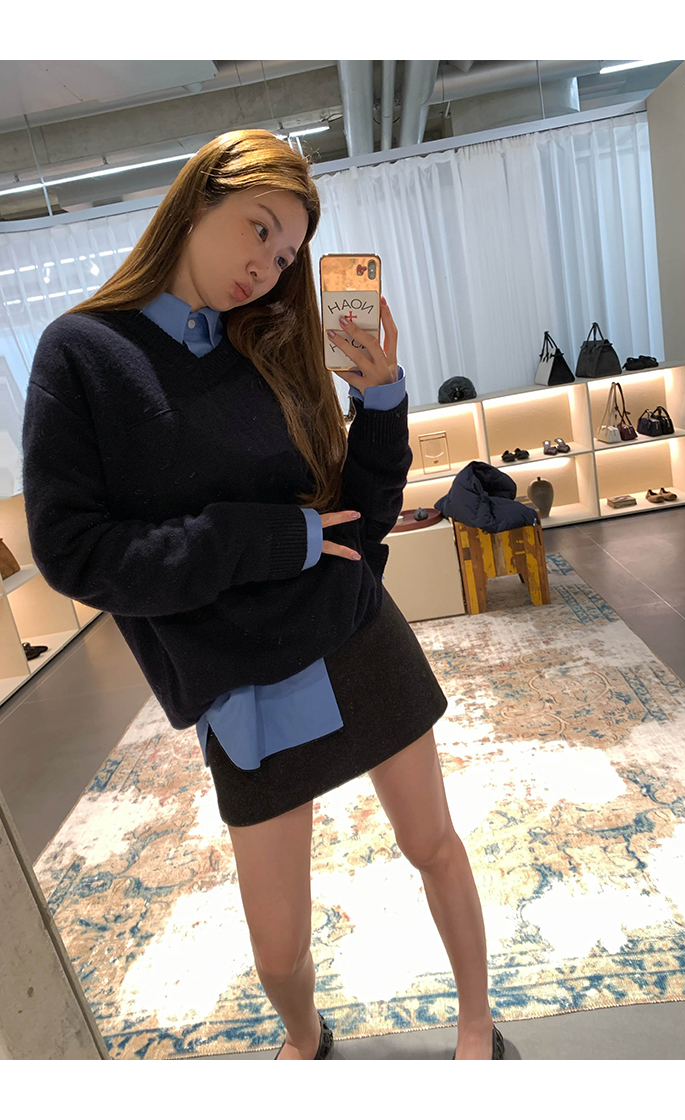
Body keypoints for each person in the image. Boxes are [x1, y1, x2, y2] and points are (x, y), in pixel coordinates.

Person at [21, 129, 503, 1061]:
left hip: (351, 632)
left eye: (286, 256)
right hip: (237, 679)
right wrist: (269, 539)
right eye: (258, 229)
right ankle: (305, 1037)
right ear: (198, 197)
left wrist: (383, 399)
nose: (268, 267)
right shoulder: (83, 353)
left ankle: (477, 1025)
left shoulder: (271, 344)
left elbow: (359, 520)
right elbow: (76, 553)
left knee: (433, 844)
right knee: (278, 947)